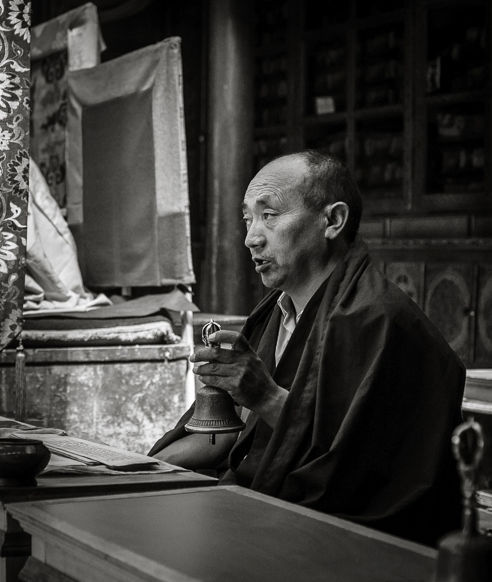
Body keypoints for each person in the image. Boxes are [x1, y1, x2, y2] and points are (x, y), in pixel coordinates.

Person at [149, 150, 464, 546]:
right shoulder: (272, 314)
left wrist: (265, 395)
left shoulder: (377, 321)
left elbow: (355, 469)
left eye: (270, 215)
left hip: (348, 533)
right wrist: (142, 471)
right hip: (263, 496)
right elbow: (232, 435)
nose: (251, 238)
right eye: (247, 219)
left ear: (332, 221)